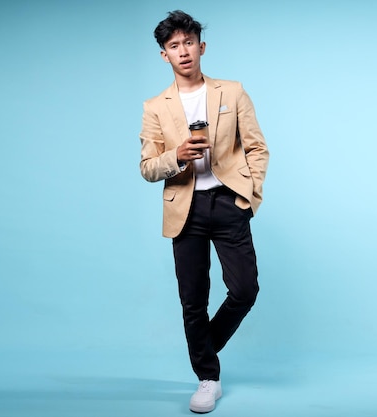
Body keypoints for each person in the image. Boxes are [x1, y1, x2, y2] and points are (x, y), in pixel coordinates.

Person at [139, 10, 269, 414]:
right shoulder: (154, 107)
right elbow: (147, 167)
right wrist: (176, 156)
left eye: (189, 43)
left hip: (229, 202)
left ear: (202, 47)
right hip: (186, 208)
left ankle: (204, 347)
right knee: (192, 299)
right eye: (174, 46)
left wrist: (249, 195)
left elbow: (257, 147)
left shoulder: (231, 92)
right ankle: (207, 377)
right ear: (165, 55)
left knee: (245, 289)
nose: (183, 51)